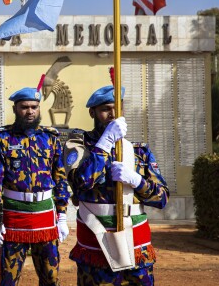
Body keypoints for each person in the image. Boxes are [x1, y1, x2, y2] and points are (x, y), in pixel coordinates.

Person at [65, 85, 169, 286]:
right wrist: (105, 143)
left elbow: (162, 198)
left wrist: (137, 181)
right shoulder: (78, 144)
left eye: (117, 108)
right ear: (92, 112)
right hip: (95, 243)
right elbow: (81, 182)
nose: (112, 114)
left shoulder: (139, 151)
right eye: (105, 109)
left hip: (136, 242)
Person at [0, 77, 70, 286]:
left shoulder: (50, 138)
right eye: (24, 107)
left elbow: (60, 177)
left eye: (34, 107)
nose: (30, 111)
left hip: (45, 217)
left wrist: (62, 215)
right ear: (15, 109)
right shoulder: (2, 138)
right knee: (7, 279)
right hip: (14, 218)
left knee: (51, 277)